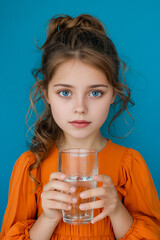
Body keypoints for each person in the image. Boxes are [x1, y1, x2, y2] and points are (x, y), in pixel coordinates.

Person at [0, 13, 160, 240]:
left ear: (113, 94)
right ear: (46, 94)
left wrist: (117, 210)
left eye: (95, 93)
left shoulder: (129, 165)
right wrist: (48, 218)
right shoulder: (31, 168)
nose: (80, 108)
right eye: (65, 92)